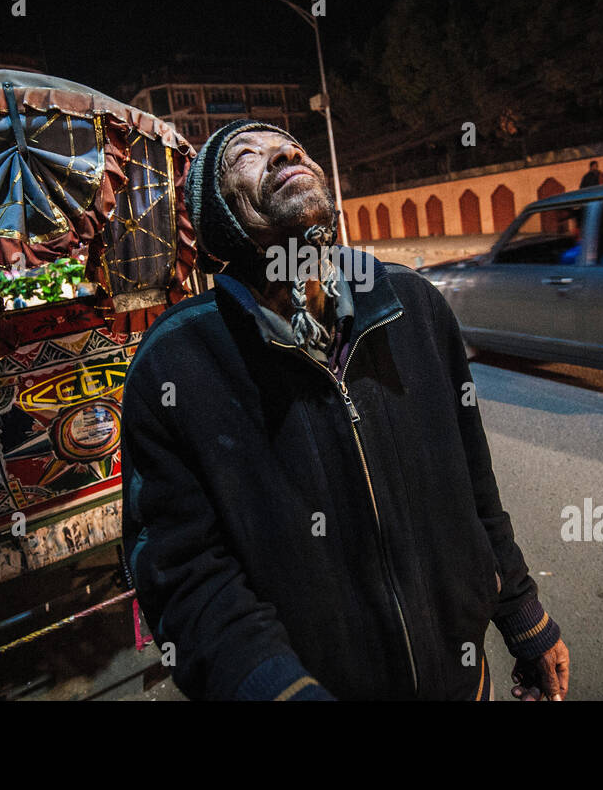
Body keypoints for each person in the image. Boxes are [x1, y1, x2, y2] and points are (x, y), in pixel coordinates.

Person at [120, 120, 571, 700]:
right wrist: (279, 689)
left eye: (292, 146)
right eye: (246, 156)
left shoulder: (414, 306)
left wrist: (524, 616)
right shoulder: (177, 361)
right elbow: (182, 574)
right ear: (219, 218)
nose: (283, 151)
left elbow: (473, 489)